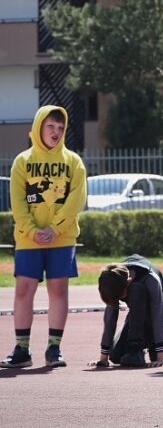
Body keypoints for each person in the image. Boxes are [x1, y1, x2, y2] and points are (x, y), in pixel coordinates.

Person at [0, 106, 86, 369]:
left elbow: (77, 199)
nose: (56, 132)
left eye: (60, 128)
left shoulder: (73, 161)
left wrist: (55, 228)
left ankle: (54, 348)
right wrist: (31, 230)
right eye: (50, 127)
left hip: (62, 238)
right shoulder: (22, 161)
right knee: (24, 290)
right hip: (29, 239)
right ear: (39, 127)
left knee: (58, 290)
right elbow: (17, 201)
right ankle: (22, 350)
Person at [90, 255, 163, 368]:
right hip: (138, 313)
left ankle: (138, 346)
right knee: (116, 356)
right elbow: (110, 319)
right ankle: (143, 343)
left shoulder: (150, 278)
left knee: (136, 289)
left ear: (128, 281)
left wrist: (161, 354)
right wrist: (103, 357)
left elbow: (158, 314)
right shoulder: (113, 279)